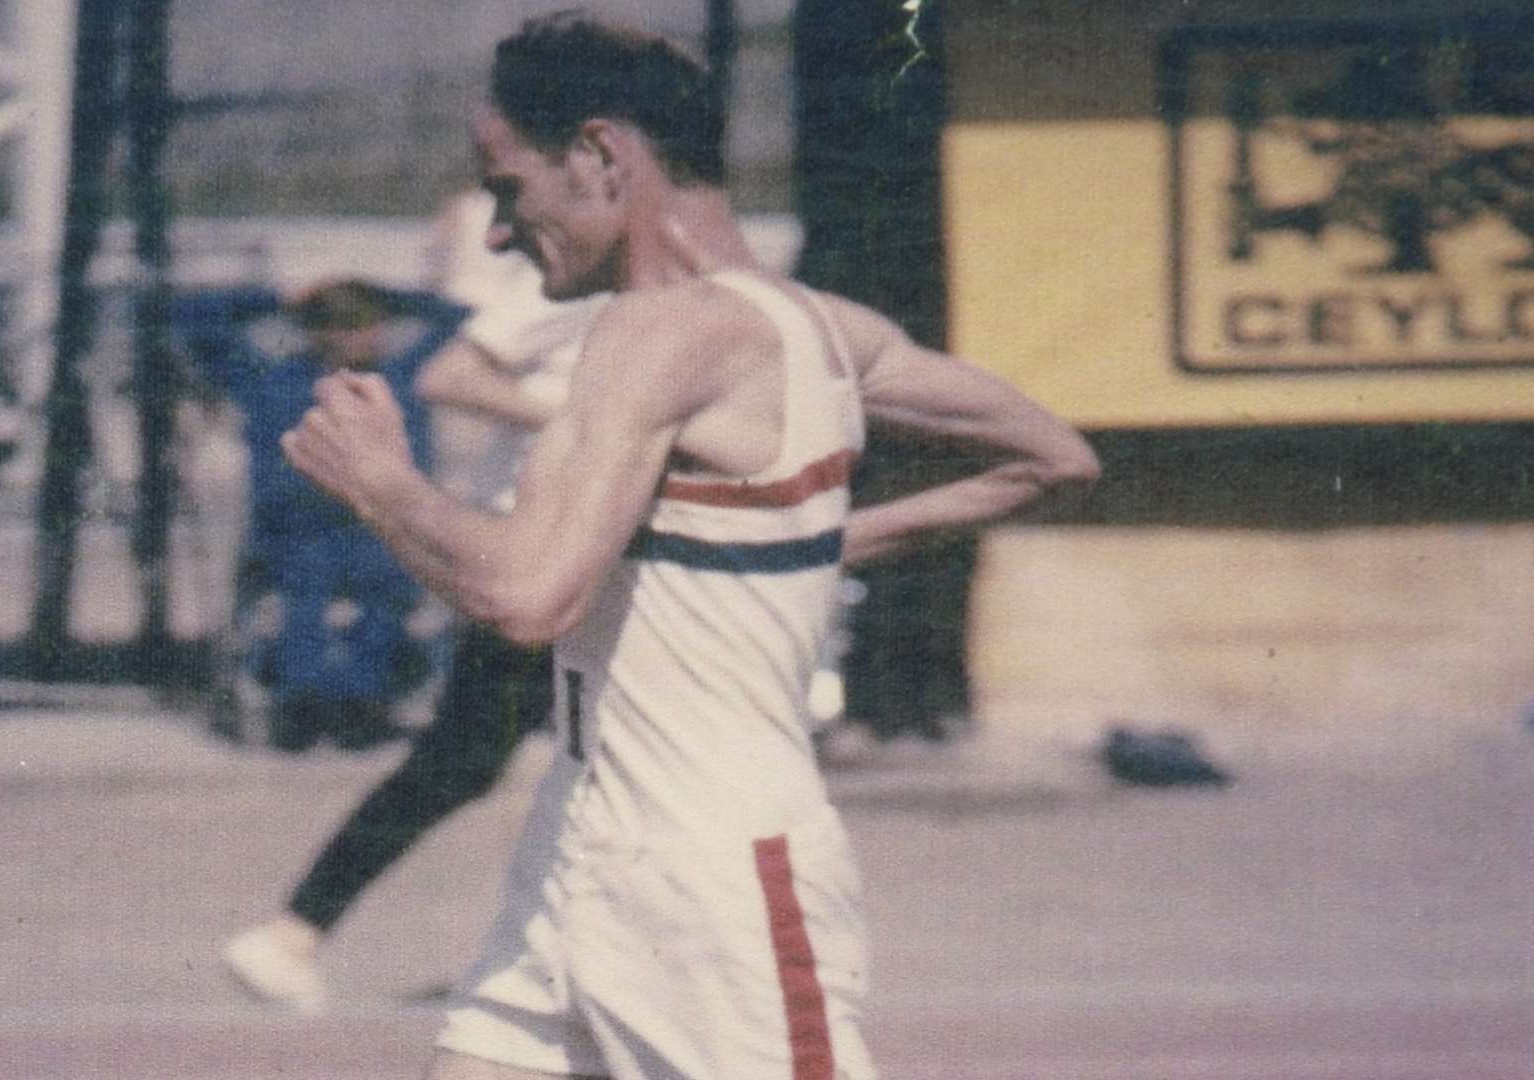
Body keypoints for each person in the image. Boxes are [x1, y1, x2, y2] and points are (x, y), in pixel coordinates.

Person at [282, 14, 1100, 1079]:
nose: (495, 234)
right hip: (578, 851)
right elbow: (1052, 456)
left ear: (600, 157)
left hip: (712, 884)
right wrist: (807, 545)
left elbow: (529, 599)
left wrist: (383, 488)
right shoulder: (824, 328)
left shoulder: (653, 334)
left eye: (506, 187)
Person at [220, 190, 603, 1012]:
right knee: (464, 760)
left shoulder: (654, 296)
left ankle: (300, 931)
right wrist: (580, 422)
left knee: (525, 762)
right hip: (541, 553)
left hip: (595, 556)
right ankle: (294, 931)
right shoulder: (566, 295)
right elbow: (449, 373)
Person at [173, 278, 466, 752]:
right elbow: (192, 316)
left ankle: (362, 706)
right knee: (301, 607)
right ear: (310, 330)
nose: (350, 337)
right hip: (298, 530)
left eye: (364, 325)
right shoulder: (271, 379)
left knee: (385, 604)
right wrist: (276, 297)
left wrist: (389, 295)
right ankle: (302, 706)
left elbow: (464, 321)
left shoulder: (404, 378)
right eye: (334, 325)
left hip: (381, 528)